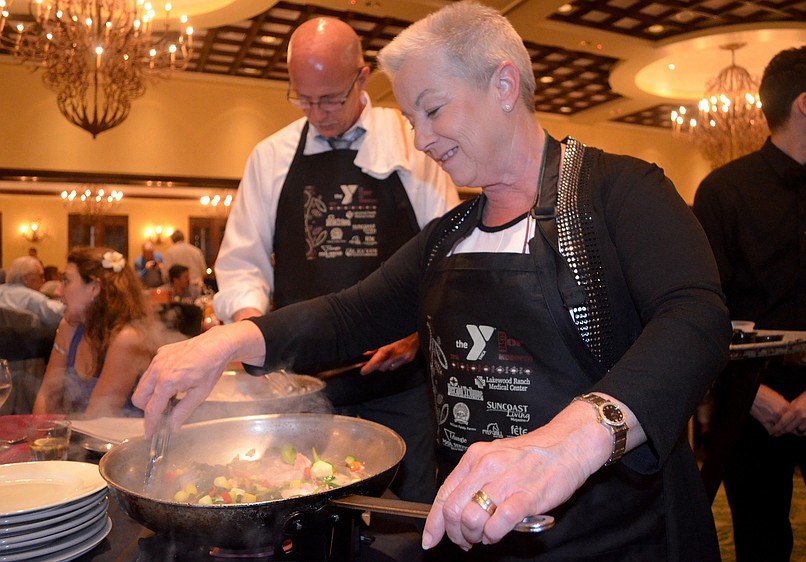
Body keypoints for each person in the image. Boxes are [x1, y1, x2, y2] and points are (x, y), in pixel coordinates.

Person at [133, 2, 730, 559]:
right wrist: (229, 341)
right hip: (475, 531)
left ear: (503, 86)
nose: (420, 139)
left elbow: (696, 319)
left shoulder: (621, 193)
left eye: (433, 109)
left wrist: (569, 444)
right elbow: (348, 315)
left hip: (617, 535)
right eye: (411, 118)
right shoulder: (448, 238)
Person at [210, 16, 459, 504]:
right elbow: (242, 263)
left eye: (329, 99)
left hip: (398, 383)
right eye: (303, 99)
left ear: (362, 78)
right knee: (303, 506)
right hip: (302, 387)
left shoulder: (414, 144)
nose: (317, 113)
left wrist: (418, 329)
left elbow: (448, 256)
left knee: (404, 517)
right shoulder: (271, 156)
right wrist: (249, 323)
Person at [692, 46, 806, 562]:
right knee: (760, 546)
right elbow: (702, 309)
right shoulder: (722, 191)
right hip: (749, 401)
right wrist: (748, 392)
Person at [33, 247, 162, 418]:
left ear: (95, 287)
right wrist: (38, 433)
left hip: (126, 434)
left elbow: (97, 417)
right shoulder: (69, 327)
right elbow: (47, 395)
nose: (57, 291)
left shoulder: (126, 339)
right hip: (85, 431)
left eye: (66, 281)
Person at [0, 255, 64, 328]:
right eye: (41, 276)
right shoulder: (31, 298)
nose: (44, 280)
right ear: (25, 278)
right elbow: (61, 313)